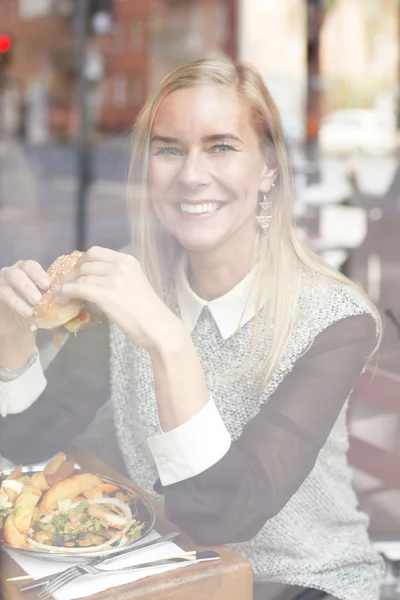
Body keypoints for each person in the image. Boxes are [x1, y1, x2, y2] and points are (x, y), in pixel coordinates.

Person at [0, 57, 385, 600]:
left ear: (269, 167)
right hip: (171, 574)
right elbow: (29, 440)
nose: (191, 174)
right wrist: (12, 338)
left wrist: (167, 338)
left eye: (222, 146)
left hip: (306, 582)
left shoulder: (335, 318)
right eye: (169, 149)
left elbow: (221, 512)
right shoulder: (131, 281)